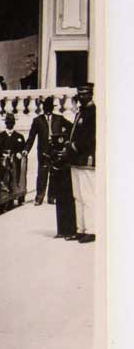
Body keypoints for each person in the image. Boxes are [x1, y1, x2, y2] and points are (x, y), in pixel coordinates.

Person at [23, 96, 72, 205]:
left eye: (50, 107)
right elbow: (31, 137)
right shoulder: (37, 120)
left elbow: (71, 128)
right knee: (42, 175)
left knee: (55, 174)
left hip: (56, 150)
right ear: (43, 108)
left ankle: (52, 197)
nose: (48, 109)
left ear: (52, 108)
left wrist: (65, 140)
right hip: (43, 151)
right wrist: (26, 149)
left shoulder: (59, 118)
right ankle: (39, 197)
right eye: (46, 107)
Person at [64, 83, 96, 243]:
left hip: (86, 159)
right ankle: (80, 229)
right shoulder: (81, 112)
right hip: (76, 160)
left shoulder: (93, 112)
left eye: (84, 94)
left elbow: (89, 138)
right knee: (78, 196)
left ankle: (91, 230)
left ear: (91, 94)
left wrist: (73, 147)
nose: (81, 97)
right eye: (80, 94)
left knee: (88, 196)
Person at [49, 132, 77, 239]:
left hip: (68, 170)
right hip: (59, 172)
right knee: (60, 200)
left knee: (69, 201)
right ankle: (61, 230)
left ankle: (70, 230)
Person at [0, 114, 26, 194]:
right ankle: (2, 185)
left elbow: (22, 149)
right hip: (3, 162)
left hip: (15, 161)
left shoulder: (19, 136)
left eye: (12, 122)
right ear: (5, 123)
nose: (10, 124)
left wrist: (18, 153)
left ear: (14, 123)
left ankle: (16, 188)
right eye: (8, 122)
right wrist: (3, 154)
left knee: (16, 170)